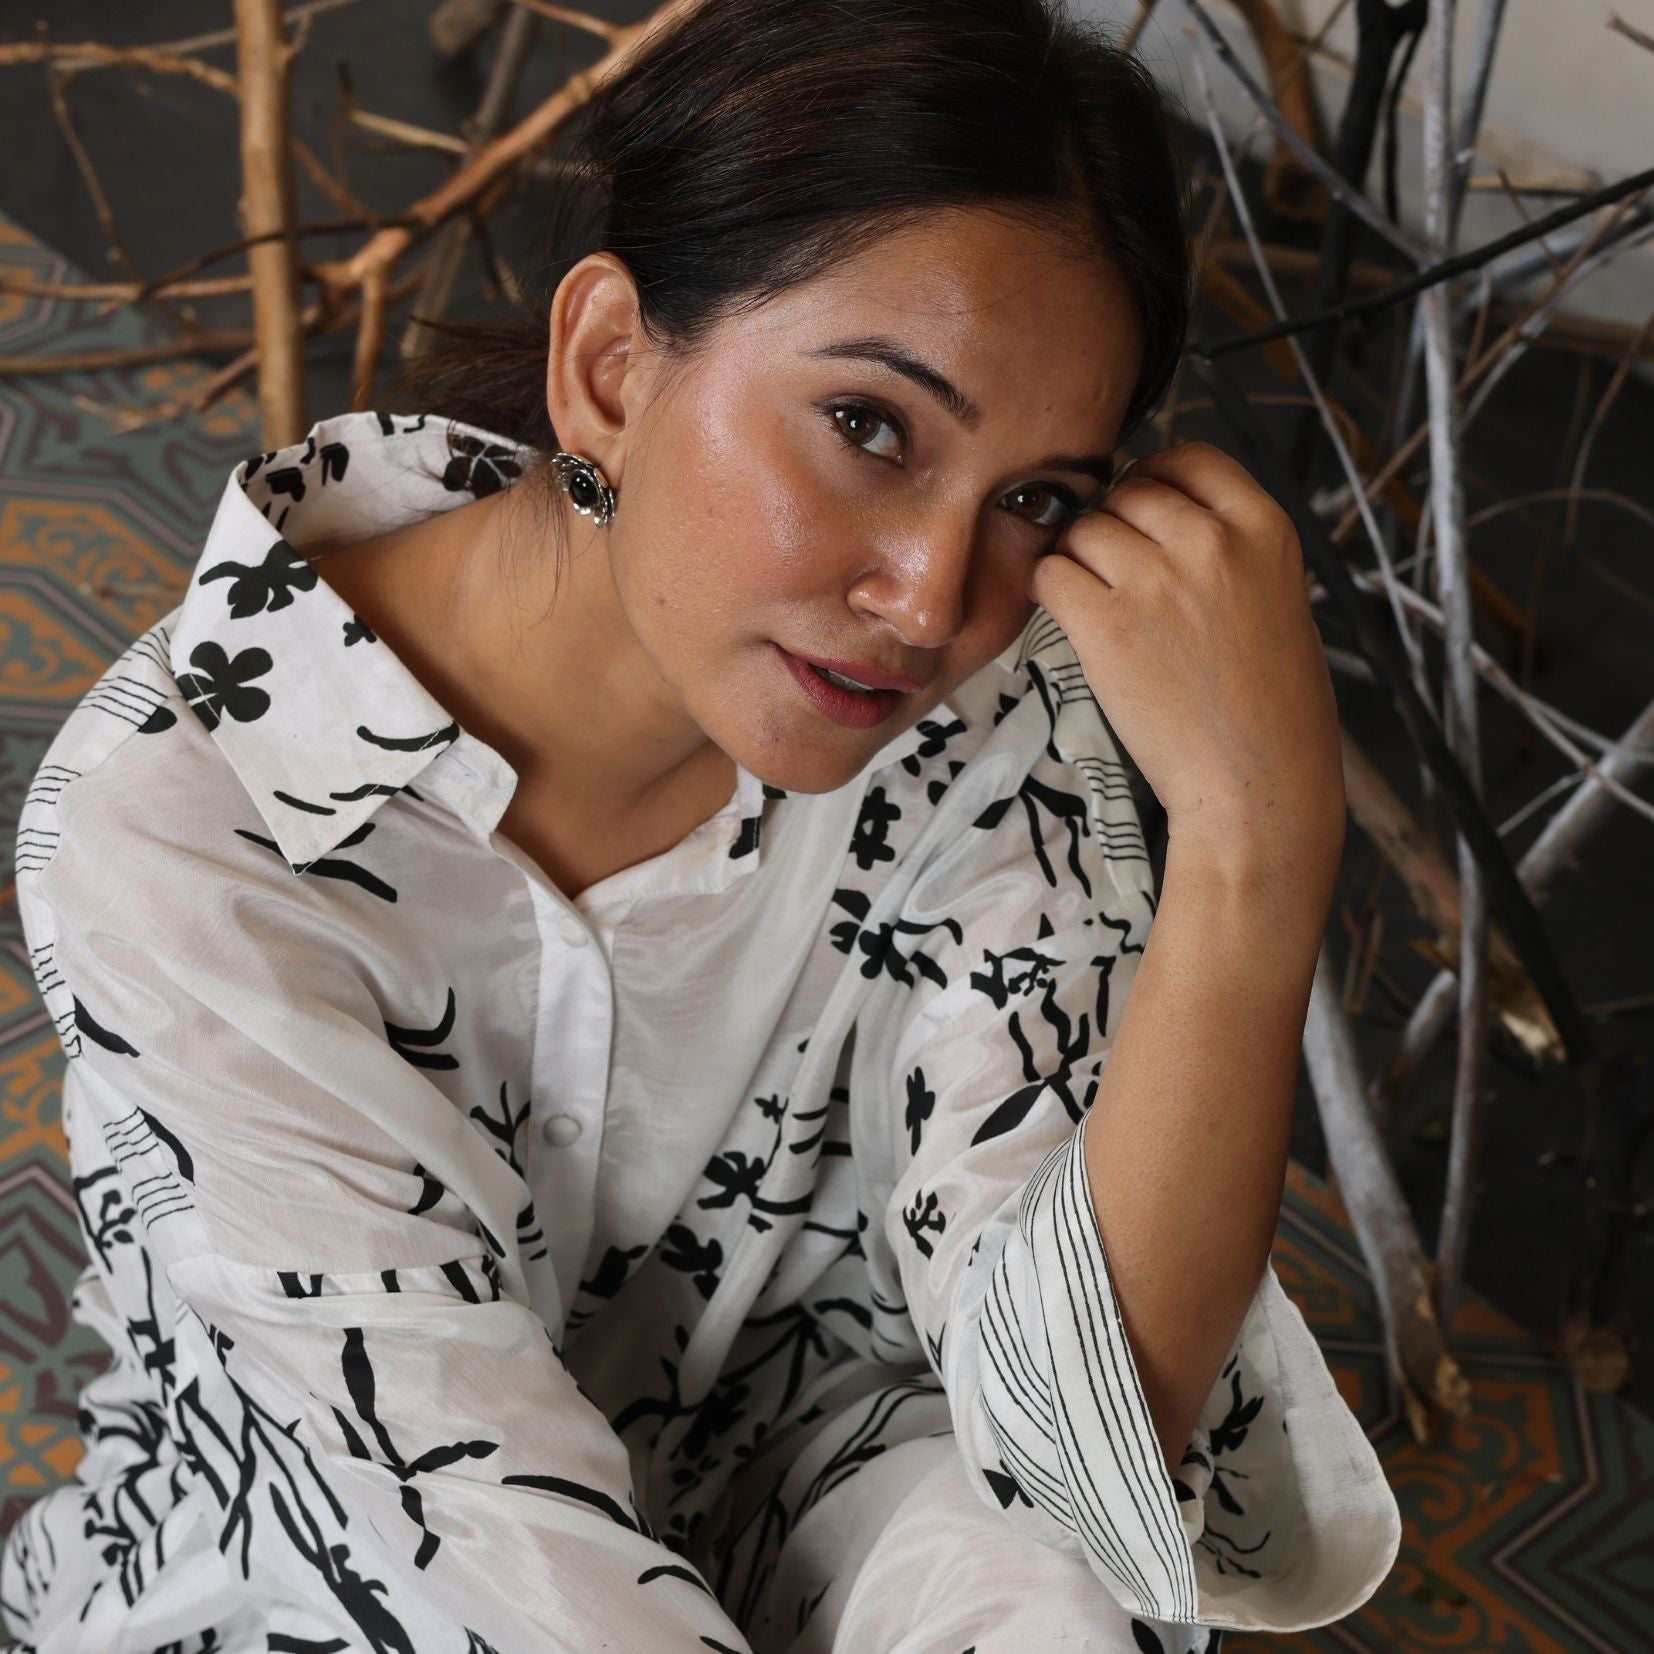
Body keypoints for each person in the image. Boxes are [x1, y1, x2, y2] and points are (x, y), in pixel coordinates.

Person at [0, 0, 1400, 1650]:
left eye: (1035, 498)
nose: (930, 596)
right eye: (870, 426)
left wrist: (1254, 843)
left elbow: (1081, 1467)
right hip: (330, 1568)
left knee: (1037, 1584)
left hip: (795, 1481)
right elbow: (465, 1534)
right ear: (608, 367)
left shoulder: (985, 708)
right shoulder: (188, 818)